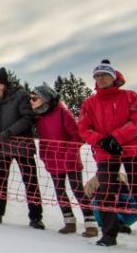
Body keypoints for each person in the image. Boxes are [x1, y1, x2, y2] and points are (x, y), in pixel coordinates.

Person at [78, 60, 137, 253]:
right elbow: (83, 128)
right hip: (105, 152)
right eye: (97, 76)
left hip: (132, 150)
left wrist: (116, 138)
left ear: (113, 77)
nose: (101, 79)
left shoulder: (130, 97)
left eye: (104, 75)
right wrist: (103, 141)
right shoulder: (90, 103)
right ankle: (108, 233)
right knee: (106, 192)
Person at [0, 67, 45, 229]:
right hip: (2, 146)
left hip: (22, 145)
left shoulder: (20, 96)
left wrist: (10, 131)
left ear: (0, 85)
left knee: (30, 181)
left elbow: (29, 118)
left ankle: (36, 217)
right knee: (0, 179)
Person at [31, 84, 96, 236]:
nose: (32, 101)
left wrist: (70, 153)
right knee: (60, 190)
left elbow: (77, 135)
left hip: (69, 159)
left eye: (35, 98)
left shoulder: (63, 113)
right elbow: (43, 139)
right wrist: (44, 155)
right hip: (52, 159)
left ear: (45, 98)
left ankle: (90, 223)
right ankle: (69, 221)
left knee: (77, 189)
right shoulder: (40, 117)